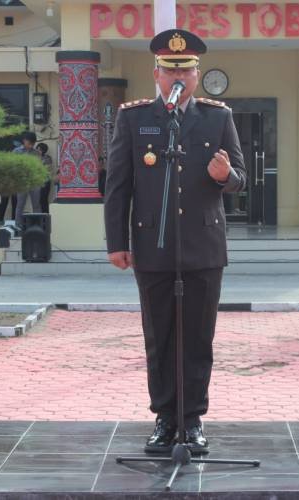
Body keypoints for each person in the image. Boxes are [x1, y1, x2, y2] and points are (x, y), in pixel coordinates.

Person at [104, 29, 246, 455]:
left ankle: (193, 420)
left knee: (199, 337)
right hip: (153, 246)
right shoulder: (133, 118)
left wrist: (227, 178)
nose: (177, 76)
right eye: (170, 70)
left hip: (203, 248)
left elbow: (240, 177)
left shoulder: (217, 117)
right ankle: (165, 419)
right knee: (160, 336)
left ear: (197, 74)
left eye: (185, 69)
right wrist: (117, 241)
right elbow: (118, 186)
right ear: (157, 74)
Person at [13, 131, 43, 229]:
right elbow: (12, 166)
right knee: (20, 204)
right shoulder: (16, 151)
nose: (31, 146)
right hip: (22, 182)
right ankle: (18, 225)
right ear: (24, 141)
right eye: (29, 143)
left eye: (33, 144)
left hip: (34, 182)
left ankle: (37, 224)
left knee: (36, 204)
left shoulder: (36, 153)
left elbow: (39, 168)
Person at [36, 142, 57, 212]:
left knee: (43, 200)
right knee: (37, 201)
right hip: (37, 182)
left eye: (39, 149)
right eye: (37, 149)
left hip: (45, 182)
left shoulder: (47, 158)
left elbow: (45, 169)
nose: (37, 151)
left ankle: (45, 216)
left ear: (43, 150)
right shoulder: (35, 157)